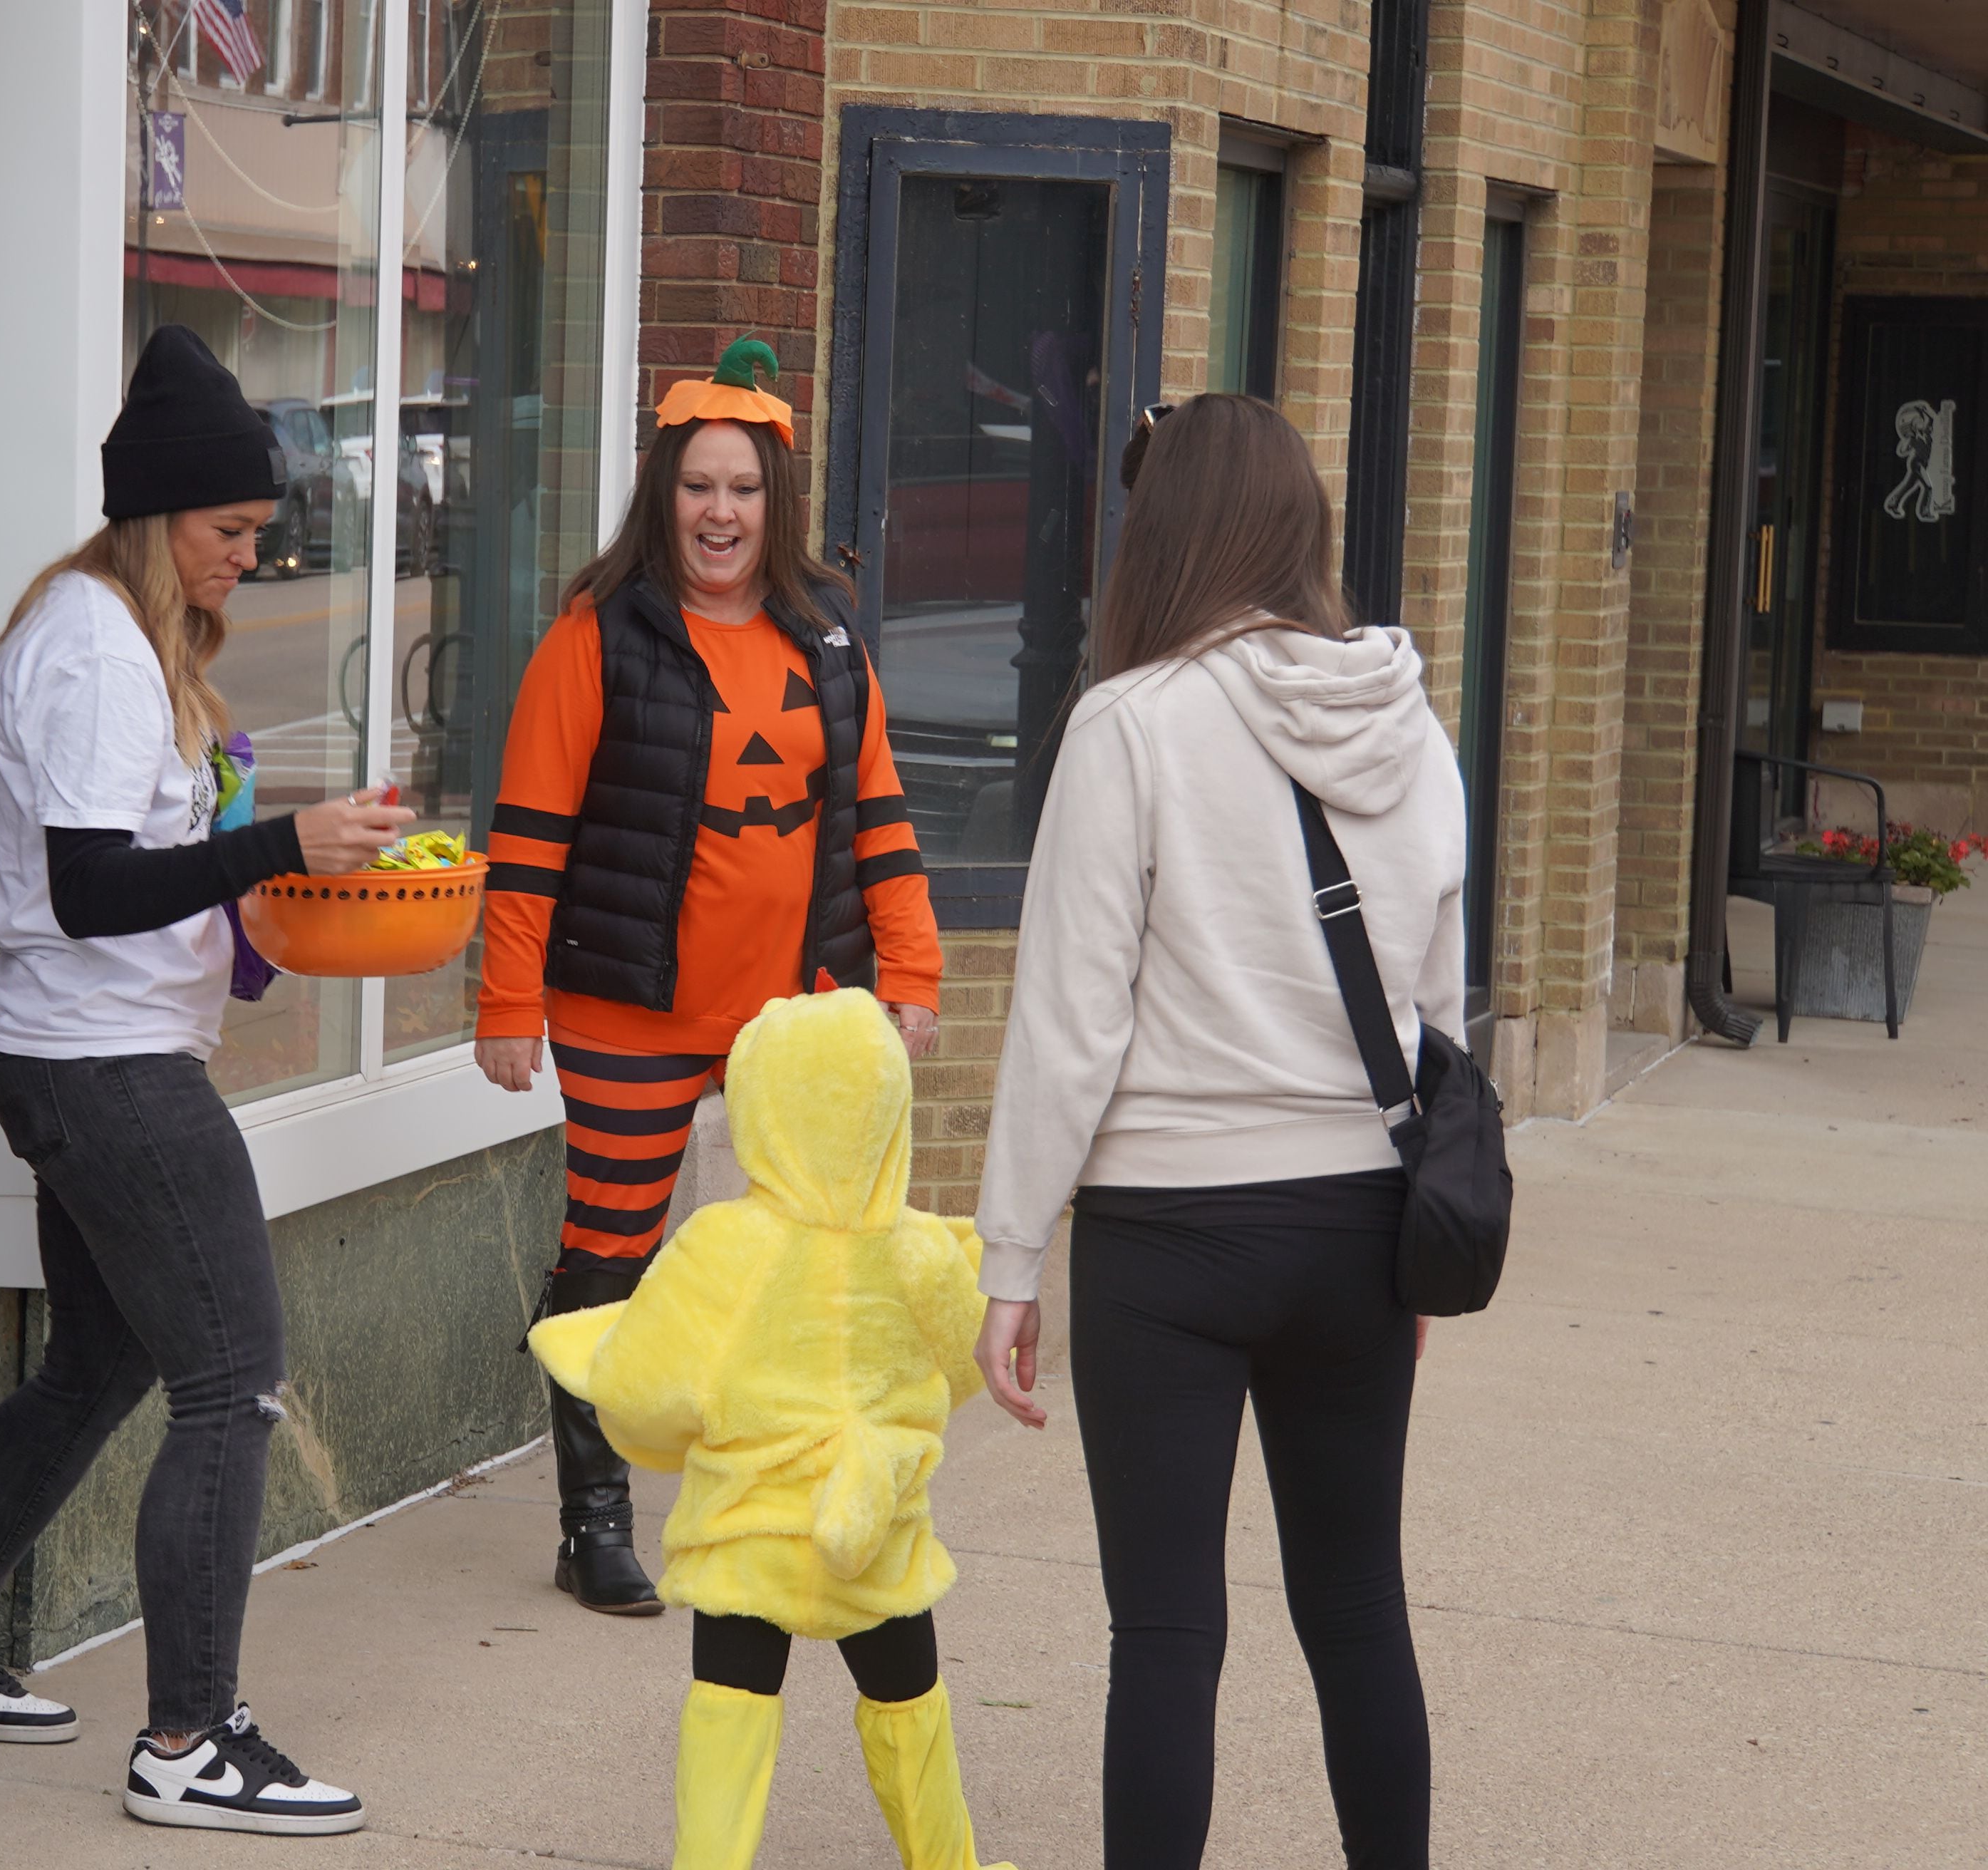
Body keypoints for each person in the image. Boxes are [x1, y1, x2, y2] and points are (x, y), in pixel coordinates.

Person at [0, 325, 405, 1837]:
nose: (249, 558)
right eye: (232, 532)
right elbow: (97, 887)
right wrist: (285, 847)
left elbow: (125, 868)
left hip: (68, 1051)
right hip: (106, 1067)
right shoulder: (94, 642)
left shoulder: (109, 636)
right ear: (161, 514)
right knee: (232, 1385)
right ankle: (190, 1739)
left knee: (96, 1369)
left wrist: (271, 856)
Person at [969, 395, 1464, 1870]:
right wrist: (1419, 1249)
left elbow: (1072, 1019)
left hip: (1168, 1235)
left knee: (1168, 1631)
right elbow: (1435, 1003)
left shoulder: (1131, 722)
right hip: (1360, 1222)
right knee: (1359, 1599)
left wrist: (1011, 1254)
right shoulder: (1407, 721)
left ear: (1164, 531)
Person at [475, 339, 945, 1614]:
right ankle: (593, 1514)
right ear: (662, 495)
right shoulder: (597, 636)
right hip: (628, 1007)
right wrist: (507, 998)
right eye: (695, 488)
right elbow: (528, 836)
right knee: (613, 1248)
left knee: (804, 1252)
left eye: (741, 488)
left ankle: (782, 1478)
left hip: (794, 1020)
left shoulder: (831, 629)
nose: (719, 513)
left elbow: (881, 810)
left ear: (774, 499)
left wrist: (908, 963)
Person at [529, 989, 1013, 1870]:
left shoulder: (726, 1244)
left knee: (729, 1708)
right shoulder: (919, 1250)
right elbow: (973, 1358)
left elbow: (644, 1383)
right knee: (911, 1704)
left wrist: (663, 1432)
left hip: (749, 1530)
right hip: (875, 1527)